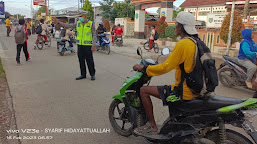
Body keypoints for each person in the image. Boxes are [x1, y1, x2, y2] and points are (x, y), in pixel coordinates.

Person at [132, 11, 198, 135]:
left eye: (177, 24)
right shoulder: (197, 42)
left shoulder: (183, 43)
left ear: (181, 27)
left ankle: (152, 126)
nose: (175, 27)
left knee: (143, 90)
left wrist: (145, 69)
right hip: (196, 88)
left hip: (183, 91)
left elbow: (166, 67)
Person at [52, 12, 97, 81]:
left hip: (88, 46)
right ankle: (83, 74)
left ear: (84, 16)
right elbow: (68, 25)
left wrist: (93, 45)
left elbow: (94, 34)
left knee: (89, 60)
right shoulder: (78, 23)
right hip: (80, 45)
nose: (79, 18)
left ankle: (92, 74)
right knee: (81, 60)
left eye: (80, 16)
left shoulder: (91, 23)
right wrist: (58, 22)